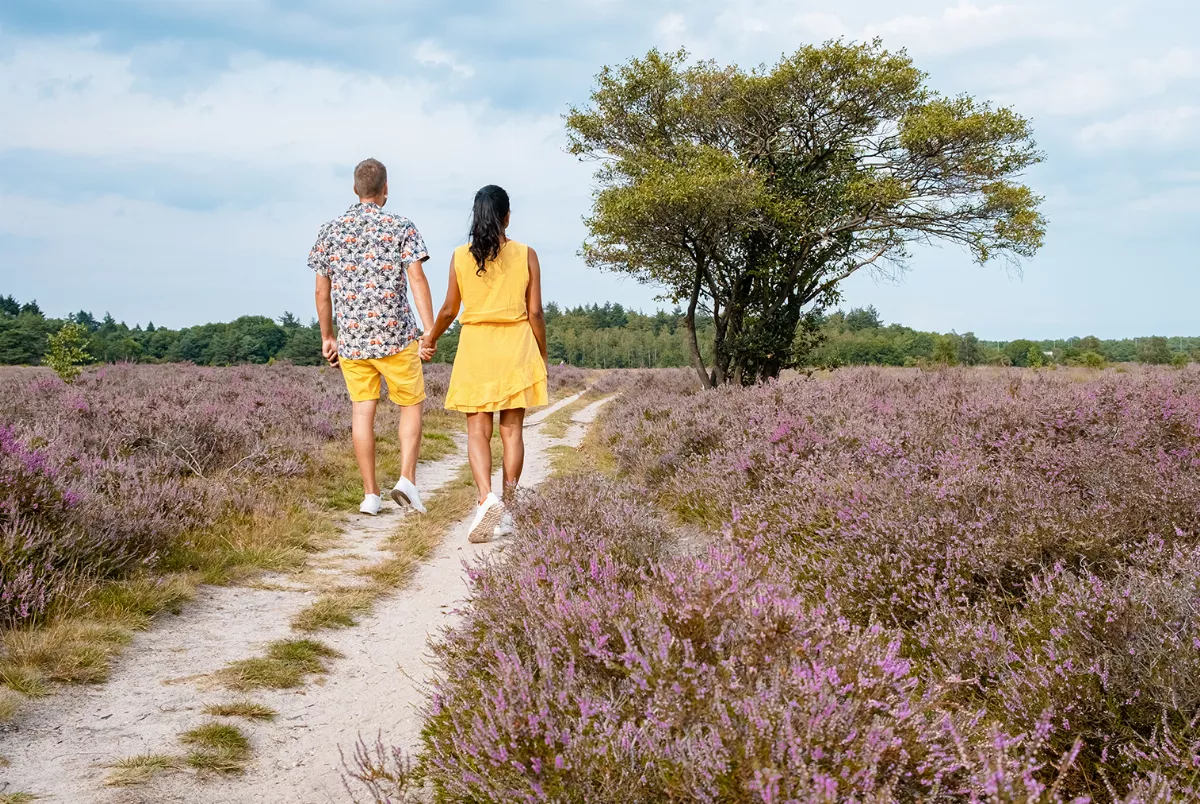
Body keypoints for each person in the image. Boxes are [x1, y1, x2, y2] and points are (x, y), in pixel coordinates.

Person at [309, 158, 435, 516]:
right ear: (386, 189)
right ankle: (407, 480)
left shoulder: (330, 230)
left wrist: (327, 336)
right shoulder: (401, 226)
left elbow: (322, 291)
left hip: (352, 340)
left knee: (362, 412)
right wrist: (428, 330)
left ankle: (370, 495)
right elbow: (417, 279)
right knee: (410, 405)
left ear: (354, 189)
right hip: (396, 335)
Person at [422, 185, 548, 543]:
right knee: (512, 432)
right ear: (507, 215)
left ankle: (484, 498)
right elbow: (535, 312)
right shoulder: (527, 254)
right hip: (516, 345)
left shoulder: (461, 256)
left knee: (478, 431)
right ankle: (507, 508)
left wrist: (430, 339)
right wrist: (542, 353)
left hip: (476, 346)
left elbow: (449, 310)